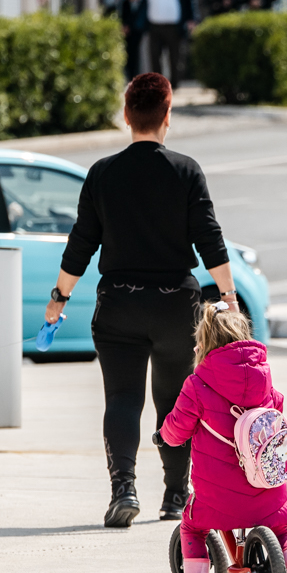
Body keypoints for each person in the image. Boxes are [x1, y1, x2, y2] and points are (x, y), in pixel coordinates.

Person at [44, 73, 239, 528]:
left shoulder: (102, 174)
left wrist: (59, 297)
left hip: (119, 304)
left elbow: (81, 244)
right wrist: (227, 297)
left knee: (123, 398)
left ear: (126, 116)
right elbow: (210, 239)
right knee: (175, 402)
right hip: (177, 306)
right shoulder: (186, 170)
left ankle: (124, 489)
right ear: (167, 116)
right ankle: (175, 496)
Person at [154, 304, 287, 573]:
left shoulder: (197, 385)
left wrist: (163, 434)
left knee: (191, 525)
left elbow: (176, 432)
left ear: (204, 341)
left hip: (216, 498)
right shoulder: (265, 382)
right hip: (267, 490)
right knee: (283, 533)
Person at [137, 0, 198, 89]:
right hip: (155, 27)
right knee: (154, 58)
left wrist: (192, 20)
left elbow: (190, 3)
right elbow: (143, 6)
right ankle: (158, 86)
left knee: (175, 58)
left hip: (174, 28)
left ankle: (174, 85)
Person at [117, 0, 149, 81]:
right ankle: (131, 77)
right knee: (130, 53)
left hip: (142, 25)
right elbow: (119, 7)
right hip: (128, 25)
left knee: (143, 53)